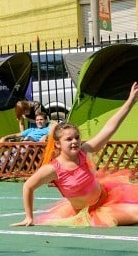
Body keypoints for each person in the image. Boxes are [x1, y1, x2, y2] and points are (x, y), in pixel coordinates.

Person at [12, 82, 138, 227]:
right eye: (69, 139)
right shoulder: (53, 169)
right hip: (90, 213)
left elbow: (109, 128)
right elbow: (28, 186)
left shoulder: (84, 151)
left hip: (107, 198)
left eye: (77, 138)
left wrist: (130, 102)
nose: (74, 142)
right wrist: (29, 217)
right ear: (58, 144)